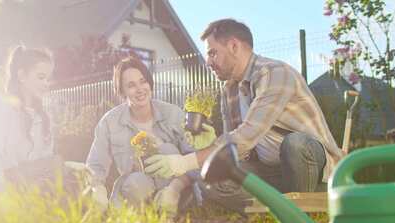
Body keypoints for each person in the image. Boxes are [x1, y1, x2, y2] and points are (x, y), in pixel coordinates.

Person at [145, 18, 344, 212]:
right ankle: (277, 212)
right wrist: (210, 145)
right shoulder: (228, 90)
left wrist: (183, 162)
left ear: (233, 46)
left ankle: (308, 207)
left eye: (213, 53)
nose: (208, 62)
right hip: (272, 172)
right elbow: (234, 153)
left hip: (311, 170)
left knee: (296, 144)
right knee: (213, 181)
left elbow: (247, 136)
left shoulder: (273, 73)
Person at [85, 56, 195, 214]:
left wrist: (174, 189)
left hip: (177, 190)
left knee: (166, 150)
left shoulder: (173, 114)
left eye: (143, 81)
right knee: (136, 182)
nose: (140, 89)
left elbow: (194, 160)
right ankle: (146, 216)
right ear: (121, 91)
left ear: (149, 82)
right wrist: (97, 189)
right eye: (131, 85)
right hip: (137, 190)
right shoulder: (110, 122)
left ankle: (168, 211)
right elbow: (95, 165)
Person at [0, 46, 63, 193]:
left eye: (48, 79)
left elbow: (44, 162)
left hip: (29, 182)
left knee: (58, 165)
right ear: (22, 76)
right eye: (41, 77)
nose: (46, 84)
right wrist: (2, 197)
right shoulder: (0, 105)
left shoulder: (43, 115)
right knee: (56, 166)